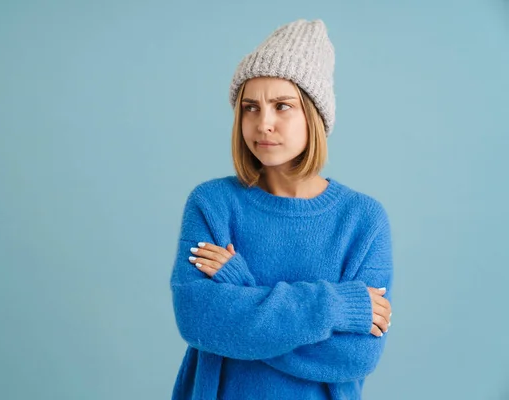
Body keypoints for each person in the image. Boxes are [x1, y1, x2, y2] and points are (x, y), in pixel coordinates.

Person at [169, 18, 394, 400]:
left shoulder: (362, 219)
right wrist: (339, 305)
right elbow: (199, 320)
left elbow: (355, 355)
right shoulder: (212, 204)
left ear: (315, 116)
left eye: (282, 106)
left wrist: (241, 289)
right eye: (251, 107)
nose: (264, 124)